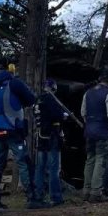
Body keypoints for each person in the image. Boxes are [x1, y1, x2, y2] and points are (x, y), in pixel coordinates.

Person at [0, 62, 42, 210]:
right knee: (24, 162)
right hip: (12, 128)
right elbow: (30, 99)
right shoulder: (14, 83)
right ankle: (32, 197)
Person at [81, 68, 108, 203]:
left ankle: (86, 191)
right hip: (103, 131)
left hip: (89, 131)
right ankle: (96, 192)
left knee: (90, 160)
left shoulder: (88, 93)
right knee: (101, 160)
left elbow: (83, 113)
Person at [32, 78, 70, 206]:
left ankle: (38, 195)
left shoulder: (38, 100)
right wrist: (64, 115)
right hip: (52, 136)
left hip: (40, 136)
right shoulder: (51, 99)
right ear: (53, 88)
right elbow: (57, 115)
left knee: (40, 168)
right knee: (54, 168)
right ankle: (55, 196)